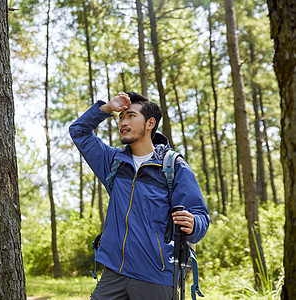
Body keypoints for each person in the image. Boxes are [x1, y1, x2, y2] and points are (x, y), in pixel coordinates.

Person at [69, 91, 210, 299]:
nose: (123, 122)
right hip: (113, 273)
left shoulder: (173, 166)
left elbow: (200, 216)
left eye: (131, 116)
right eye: (121, 117)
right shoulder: (113, 162)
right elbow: (79, 131)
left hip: (155, 276)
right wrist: (107, 108)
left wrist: (193, 223)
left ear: (150, 123)